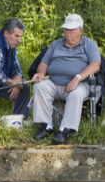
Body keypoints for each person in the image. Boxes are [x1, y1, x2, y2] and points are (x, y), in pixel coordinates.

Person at [31, 13, 101, 144]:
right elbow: (43, 63)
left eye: (71, 29)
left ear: (81, 30)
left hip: (78, 83)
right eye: (65, 29)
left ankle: (64, 130)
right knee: (39, 86)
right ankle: (46, 126)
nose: (67, 32)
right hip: (53, 82)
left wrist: (77, 78)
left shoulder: (89, 44)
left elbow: (95, 65)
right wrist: (40, 73)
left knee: (76, 94)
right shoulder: (56, 44)